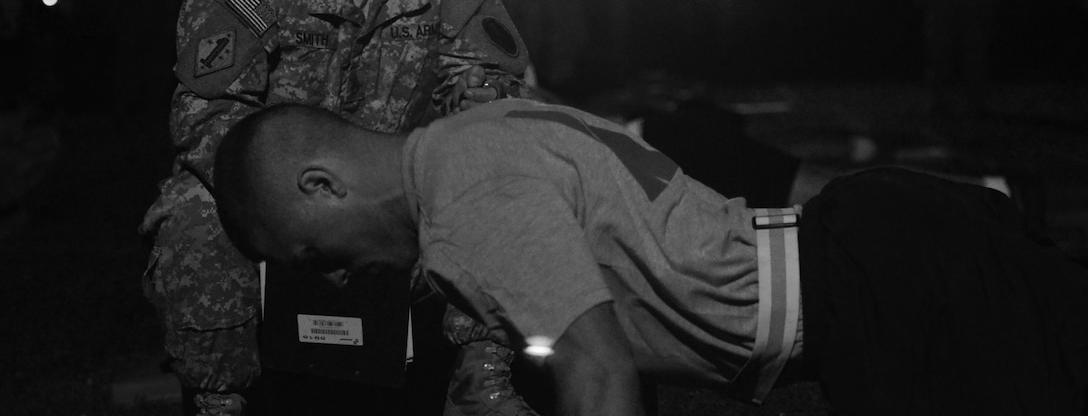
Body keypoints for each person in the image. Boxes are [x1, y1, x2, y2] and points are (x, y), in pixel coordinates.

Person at [213, 100, 1088, 416]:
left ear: (319, 184)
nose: (333, 276)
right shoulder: (476, 133)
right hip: (886, 246)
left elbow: (600, 374)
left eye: (310, 254)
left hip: (889, 285)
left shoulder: (464, 202)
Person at [138, 0, 535, 416]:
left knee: (507, 178)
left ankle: (481, 380)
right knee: (192, 215)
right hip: (273, 206)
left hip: (399, 206)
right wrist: (301, 209)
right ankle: (221, 398)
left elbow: (494, 105)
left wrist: (423, 189)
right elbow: (209, 120)